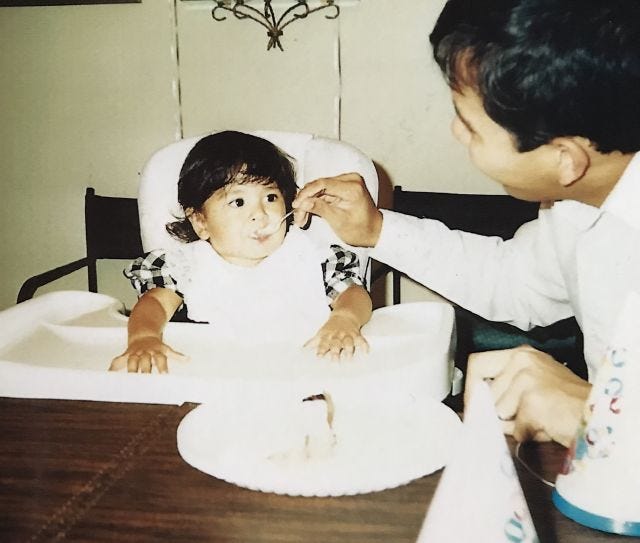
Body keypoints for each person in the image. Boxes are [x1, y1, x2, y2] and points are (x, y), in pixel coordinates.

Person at [292, 0, 640, 447]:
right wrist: (377, 230)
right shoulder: (578, 203)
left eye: (471, 126)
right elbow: (515, 281)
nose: (457, 132)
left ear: (565, 159)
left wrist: (590, 412)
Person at [110, 131, 372, 374]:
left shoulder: (310, 256)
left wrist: (345, 318)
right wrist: (144, 337)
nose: (259, 214)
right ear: (200, 222)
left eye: (270, 198)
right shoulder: (188, 266)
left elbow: (353, 293)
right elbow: (154, 303)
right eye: (238, 202)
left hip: (306, 371)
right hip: (214, 375)